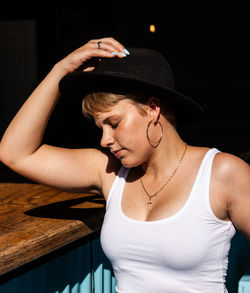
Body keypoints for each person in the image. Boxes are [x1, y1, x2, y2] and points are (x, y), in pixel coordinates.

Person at [0, 37, 249, 293]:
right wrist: (61, 70)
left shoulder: (221, 173)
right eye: (100, 128)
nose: (105, 140)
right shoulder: (110, 173)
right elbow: (15, 153)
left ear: (152, 109)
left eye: (114, 123)